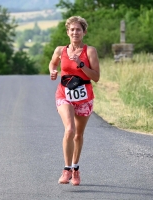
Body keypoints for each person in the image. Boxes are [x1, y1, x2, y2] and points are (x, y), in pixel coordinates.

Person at [49, 16, 100, 186]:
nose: (75, 32)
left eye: (78, 29)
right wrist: (53, 71)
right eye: (72, 29)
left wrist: (81, 65)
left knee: (78, 134)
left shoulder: (90, 51)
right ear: (67, 32)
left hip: (84, 97)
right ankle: (66, 169)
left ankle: (75, 169)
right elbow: (52, 63)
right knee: (69, 129)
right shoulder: (60, 50)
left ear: (84, 32)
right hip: (64, 94)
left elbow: (96, 77)